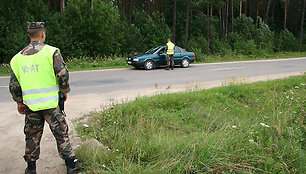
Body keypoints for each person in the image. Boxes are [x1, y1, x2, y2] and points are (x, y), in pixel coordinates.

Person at [9, 22, 81, 174]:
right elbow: (62, 74)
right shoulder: (51, 52)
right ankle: (71, 166)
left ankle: (31, 169)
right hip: (51, 104)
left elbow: (14, 85)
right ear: (42, 34)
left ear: (29, 35)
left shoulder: (17, 59)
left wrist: (19, 102)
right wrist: (64, 91)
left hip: (30, 106)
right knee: (61, 133)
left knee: (31, 136)